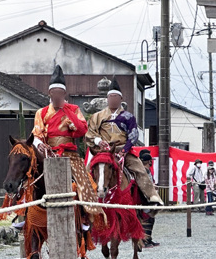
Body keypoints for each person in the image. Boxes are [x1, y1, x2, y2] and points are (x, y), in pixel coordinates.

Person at [32, 65, 101, 222]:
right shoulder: (41, 112)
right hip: (48, 152)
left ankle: (86, 215)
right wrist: (39, 143)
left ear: (64, 93)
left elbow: (82, 130)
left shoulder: (74, 109)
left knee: (83, 181)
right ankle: (26, 212)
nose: (57, 96)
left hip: (69, 153)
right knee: (28, 176)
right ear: (49, 93)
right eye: (54, 93)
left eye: (60, 93)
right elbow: (36, 134)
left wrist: (67, 111)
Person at [84, 78, 162, 204]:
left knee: (139, 169)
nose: (113, 99)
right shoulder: (97, 116)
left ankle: (151, 196)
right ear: (108, 99)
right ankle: (84, 201)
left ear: (120, 99)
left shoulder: (128, 117)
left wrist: (124, 151)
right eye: (111, 97)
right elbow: (90, 133)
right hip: (103, 151)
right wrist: (98, 141)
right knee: (87, 171)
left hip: (122, 149)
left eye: (116, 97)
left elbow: (133, 135)